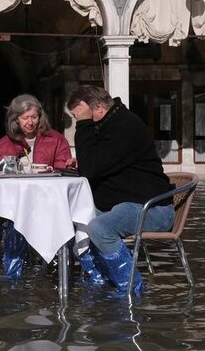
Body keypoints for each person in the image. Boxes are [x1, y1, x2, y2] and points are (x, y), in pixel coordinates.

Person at [66, 85, 174, 296]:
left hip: (152, 209)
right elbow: (99, 163)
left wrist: (85, 125)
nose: (77, 121)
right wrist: (83, 160)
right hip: (123, 204)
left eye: (77, 116)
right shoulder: (111, 125)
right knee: (74, 218)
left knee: (99, 228)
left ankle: (132, 288)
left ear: (97, 108)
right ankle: (101, 278)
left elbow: (92, 169)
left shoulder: (125, 126)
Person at [0, 94, 72, 280]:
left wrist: (62, 166)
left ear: (40, 116)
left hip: (47, 201)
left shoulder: (56, 139)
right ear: (15, 119)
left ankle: (15, 276)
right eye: (25, 118)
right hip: (12, 204)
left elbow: (63, 169)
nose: (30, 122)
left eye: (34, 117)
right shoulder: (4, 144)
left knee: (17, 225)